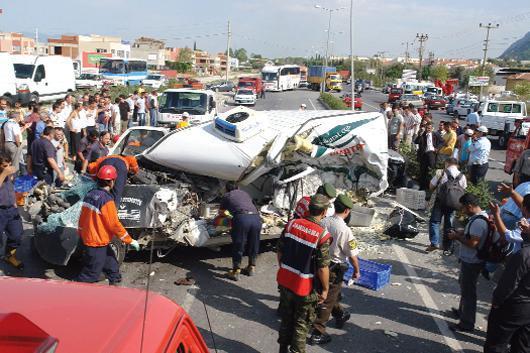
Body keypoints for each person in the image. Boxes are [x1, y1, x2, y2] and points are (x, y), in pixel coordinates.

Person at [277, 194, 331, 353]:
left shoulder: (291, 224)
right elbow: (323, 267)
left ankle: (282, 349)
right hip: (305, 287)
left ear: (309, 208)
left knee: (286, 318)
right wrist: (326, 289)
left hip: (286, 282)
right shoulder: (322, 235)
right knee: (301, 323)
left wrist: (284, 268)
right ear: (324, 212)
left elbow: (280, 251)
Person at [309, 194, 360, 346]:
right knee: (328, 298)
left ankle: (339, 313)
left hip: (317, 263)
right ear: (347, 210)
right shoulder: (345, 230)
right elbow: (352, 254)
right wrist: (357, 270)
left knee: (331, 294)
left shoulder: (323, 221)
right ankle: (318, 332)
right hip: (333, 268)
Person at [76, 165, 140, 285]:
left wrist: (80, 232)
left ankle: (115, 281)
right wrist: (129, 240)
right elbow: (114, 224)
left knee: (111, 264)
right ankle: (77, 293)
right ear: (111, 182)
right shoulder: (106, 200)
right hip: (96, 242)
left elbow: (82, 217)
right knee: (91, 274)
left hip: (92, 238)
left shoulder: (90, 195)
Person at [485, 196, 530, 353]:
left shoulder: (524, 254)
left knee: (497, 343)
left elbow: (509, 283)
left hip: (517, 303)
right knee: (522, 345)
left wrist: (497, 302)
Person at [447, 193, 489, 332]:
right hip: (471, 260)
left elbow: (473, 243)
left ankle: (466, 323)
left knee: (468, 292)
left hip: (472, 261)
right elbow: (472, 236)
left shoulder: (478, 222)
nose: (462, 211)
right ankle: (461, 311)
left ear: (470, 206)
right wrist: (462, 232)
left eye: (464, 208)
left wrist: (456, 237)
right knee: (465, 287)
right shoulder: (480, 217)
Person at [220, 182, 262, 281]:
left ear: (226, 189)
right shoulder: (245, 193)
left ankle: (235, 271)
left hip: (242, 219)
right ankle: (251, 267)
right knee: (254, 243)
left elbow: (221, 212)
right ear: (238, 187)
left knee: (239, 244)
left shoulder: (227, 195)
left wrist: (229, 216)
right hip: (256, 218)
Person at [427, 158, 467, 252]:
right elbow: (464, 190)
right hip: (454, 203)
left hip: (440, 202)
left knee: (435, 222)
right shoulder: (462, 176)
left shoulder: (441, 172)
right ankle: (447, 247)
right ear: (457, 165)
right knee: (449, 225)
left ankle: (434, 243)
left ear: (447, 163)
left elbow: (431, 186)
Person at [0, 153, 24, 269]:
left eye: (9, 165)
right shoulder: (4, 173)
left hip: (11, 209)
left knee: (16, 235)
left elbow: (10, 189)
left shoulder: (9, 175)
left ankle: (9, 256)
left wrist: (16, 198)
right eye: (5, 165)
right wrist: (4, 173)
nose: (8, 167)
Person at [415, 122, 440, 190]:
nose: (427, 129)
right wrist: (419, 135)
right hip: (424, 154)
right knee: (423, 171)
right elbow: (416, 141)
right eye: (426, 128)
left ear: (432, 129)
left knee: (432, 170)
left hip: (432, 154)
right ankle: (422, 187)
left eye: (429, 128)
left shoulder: (435, 134)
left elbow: (442, 141)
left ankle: (430, 186)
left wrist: (437, 148)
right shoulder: (423, 135)